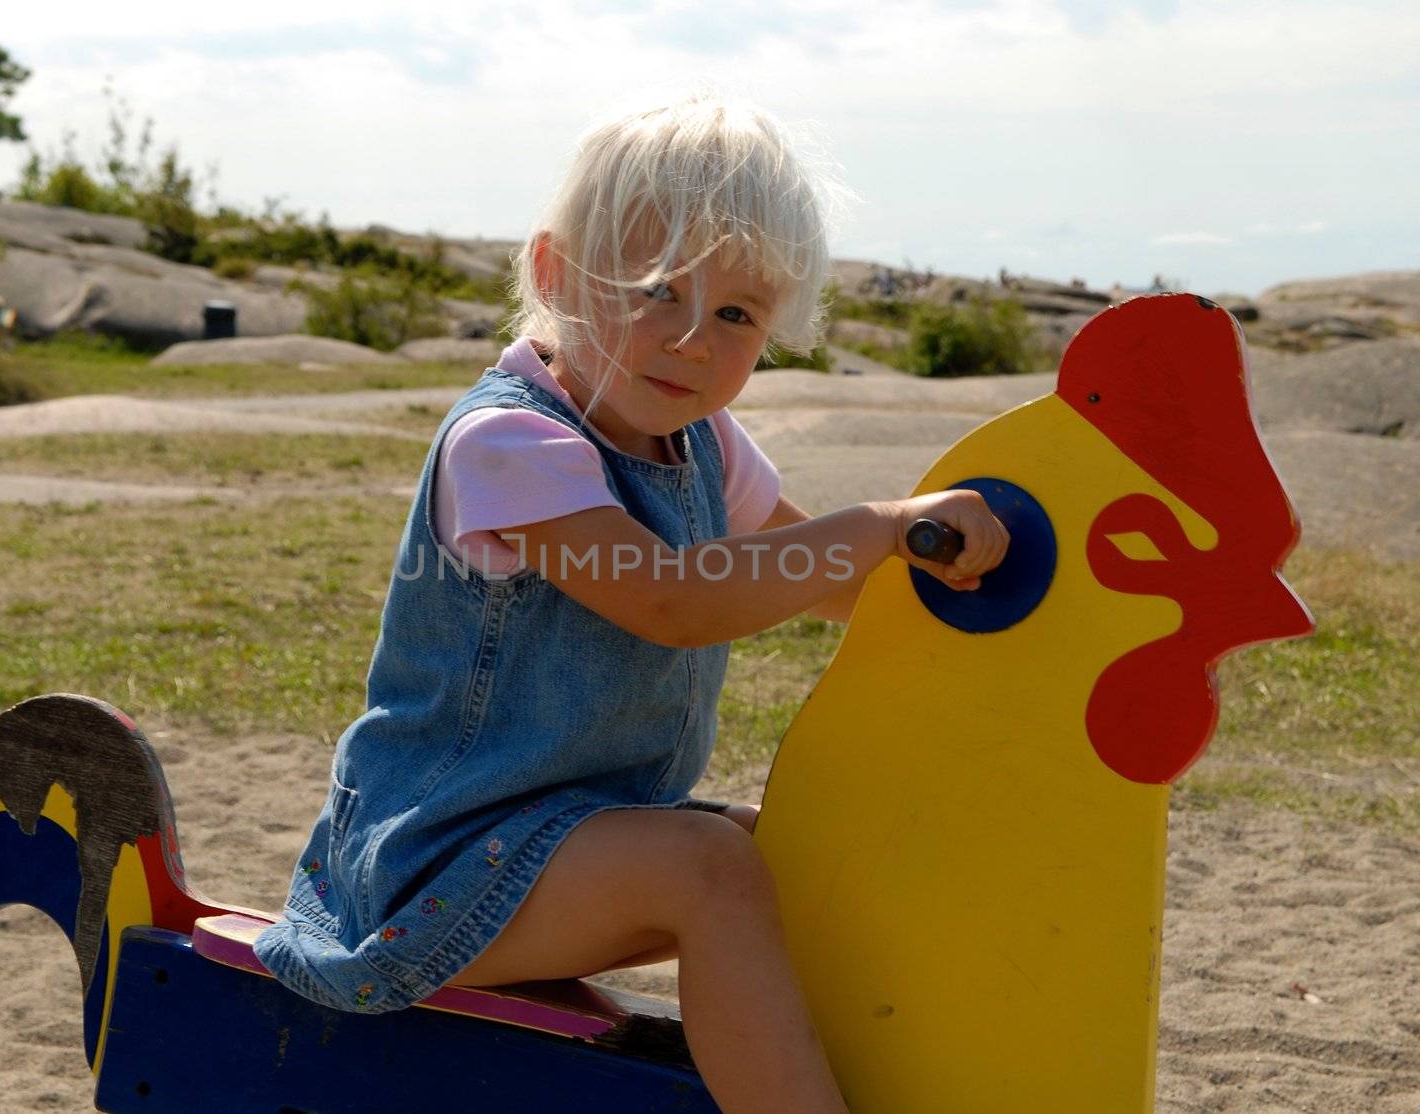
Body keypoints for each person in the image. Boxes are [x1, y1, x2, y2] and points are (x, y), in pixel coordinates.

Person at [254, 93, 1010, 1113]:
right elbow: (671, 601)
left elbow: (819, 576)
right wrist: (879, 521)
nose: (693, 342)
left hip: (573, 845)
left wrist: (967, 573)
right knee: (707, 865)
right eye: (656, 290)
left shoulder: (702, 443)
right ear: (560, 275)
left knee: (799, 838)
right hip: (430, 868)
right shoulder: (510, 445)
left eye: (736, 314)